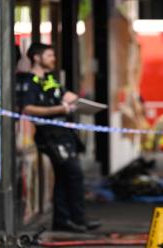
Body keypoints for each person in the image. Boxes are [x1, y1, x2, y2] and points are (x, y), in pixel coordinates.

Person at [19, 42, 101, 233]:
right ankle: (76, 219)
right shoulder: (30, 82)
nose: (53, 59)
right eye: (49, 55)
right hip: (50, 134)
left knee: (65, 176)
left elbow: (66, 95)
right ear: (36, 58)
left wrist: (81, 102)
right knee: (73, 172)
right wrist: (59, 109)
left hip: (63, 133)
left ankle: (64, 219)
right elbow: (28, 108)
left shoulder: (50, 79)